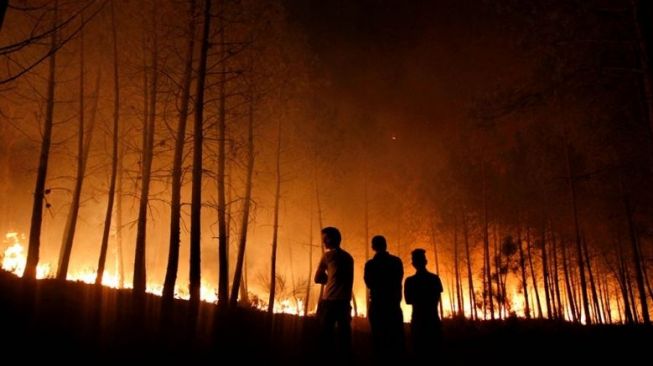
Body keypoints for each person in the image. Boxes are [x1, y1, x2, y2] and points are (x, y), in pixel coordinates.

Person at [314, 226, 354, 359]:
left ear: (332, 239)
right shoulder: (348, 257)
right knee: (344, 337)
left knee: (325, 336)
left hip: (330, 302)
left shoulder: (328, 256)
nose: (323, 242)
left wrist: (328, 281)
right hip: (344, 303)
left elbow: (317, 278)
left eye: (325, 239)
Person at [364, 235, 404, 360]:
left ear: (373, 247)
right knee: (395, 339)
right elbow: (399, 279)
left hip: (377, 305)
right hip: (393, 306)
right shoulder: (396, 261)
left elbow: (369, 283)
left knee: (378, 339)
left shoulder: (370, 264)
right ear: (385, 245)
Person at [404, 248, 443, 360]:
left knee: (419, 354)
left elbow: (408, 301)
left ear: (413, 263)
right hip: (433, 320)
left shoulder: (410, 281)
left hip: (418, 320)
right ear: (425, 261)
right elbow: (436, 299)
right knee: (435, 353)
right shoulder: (435, 279)